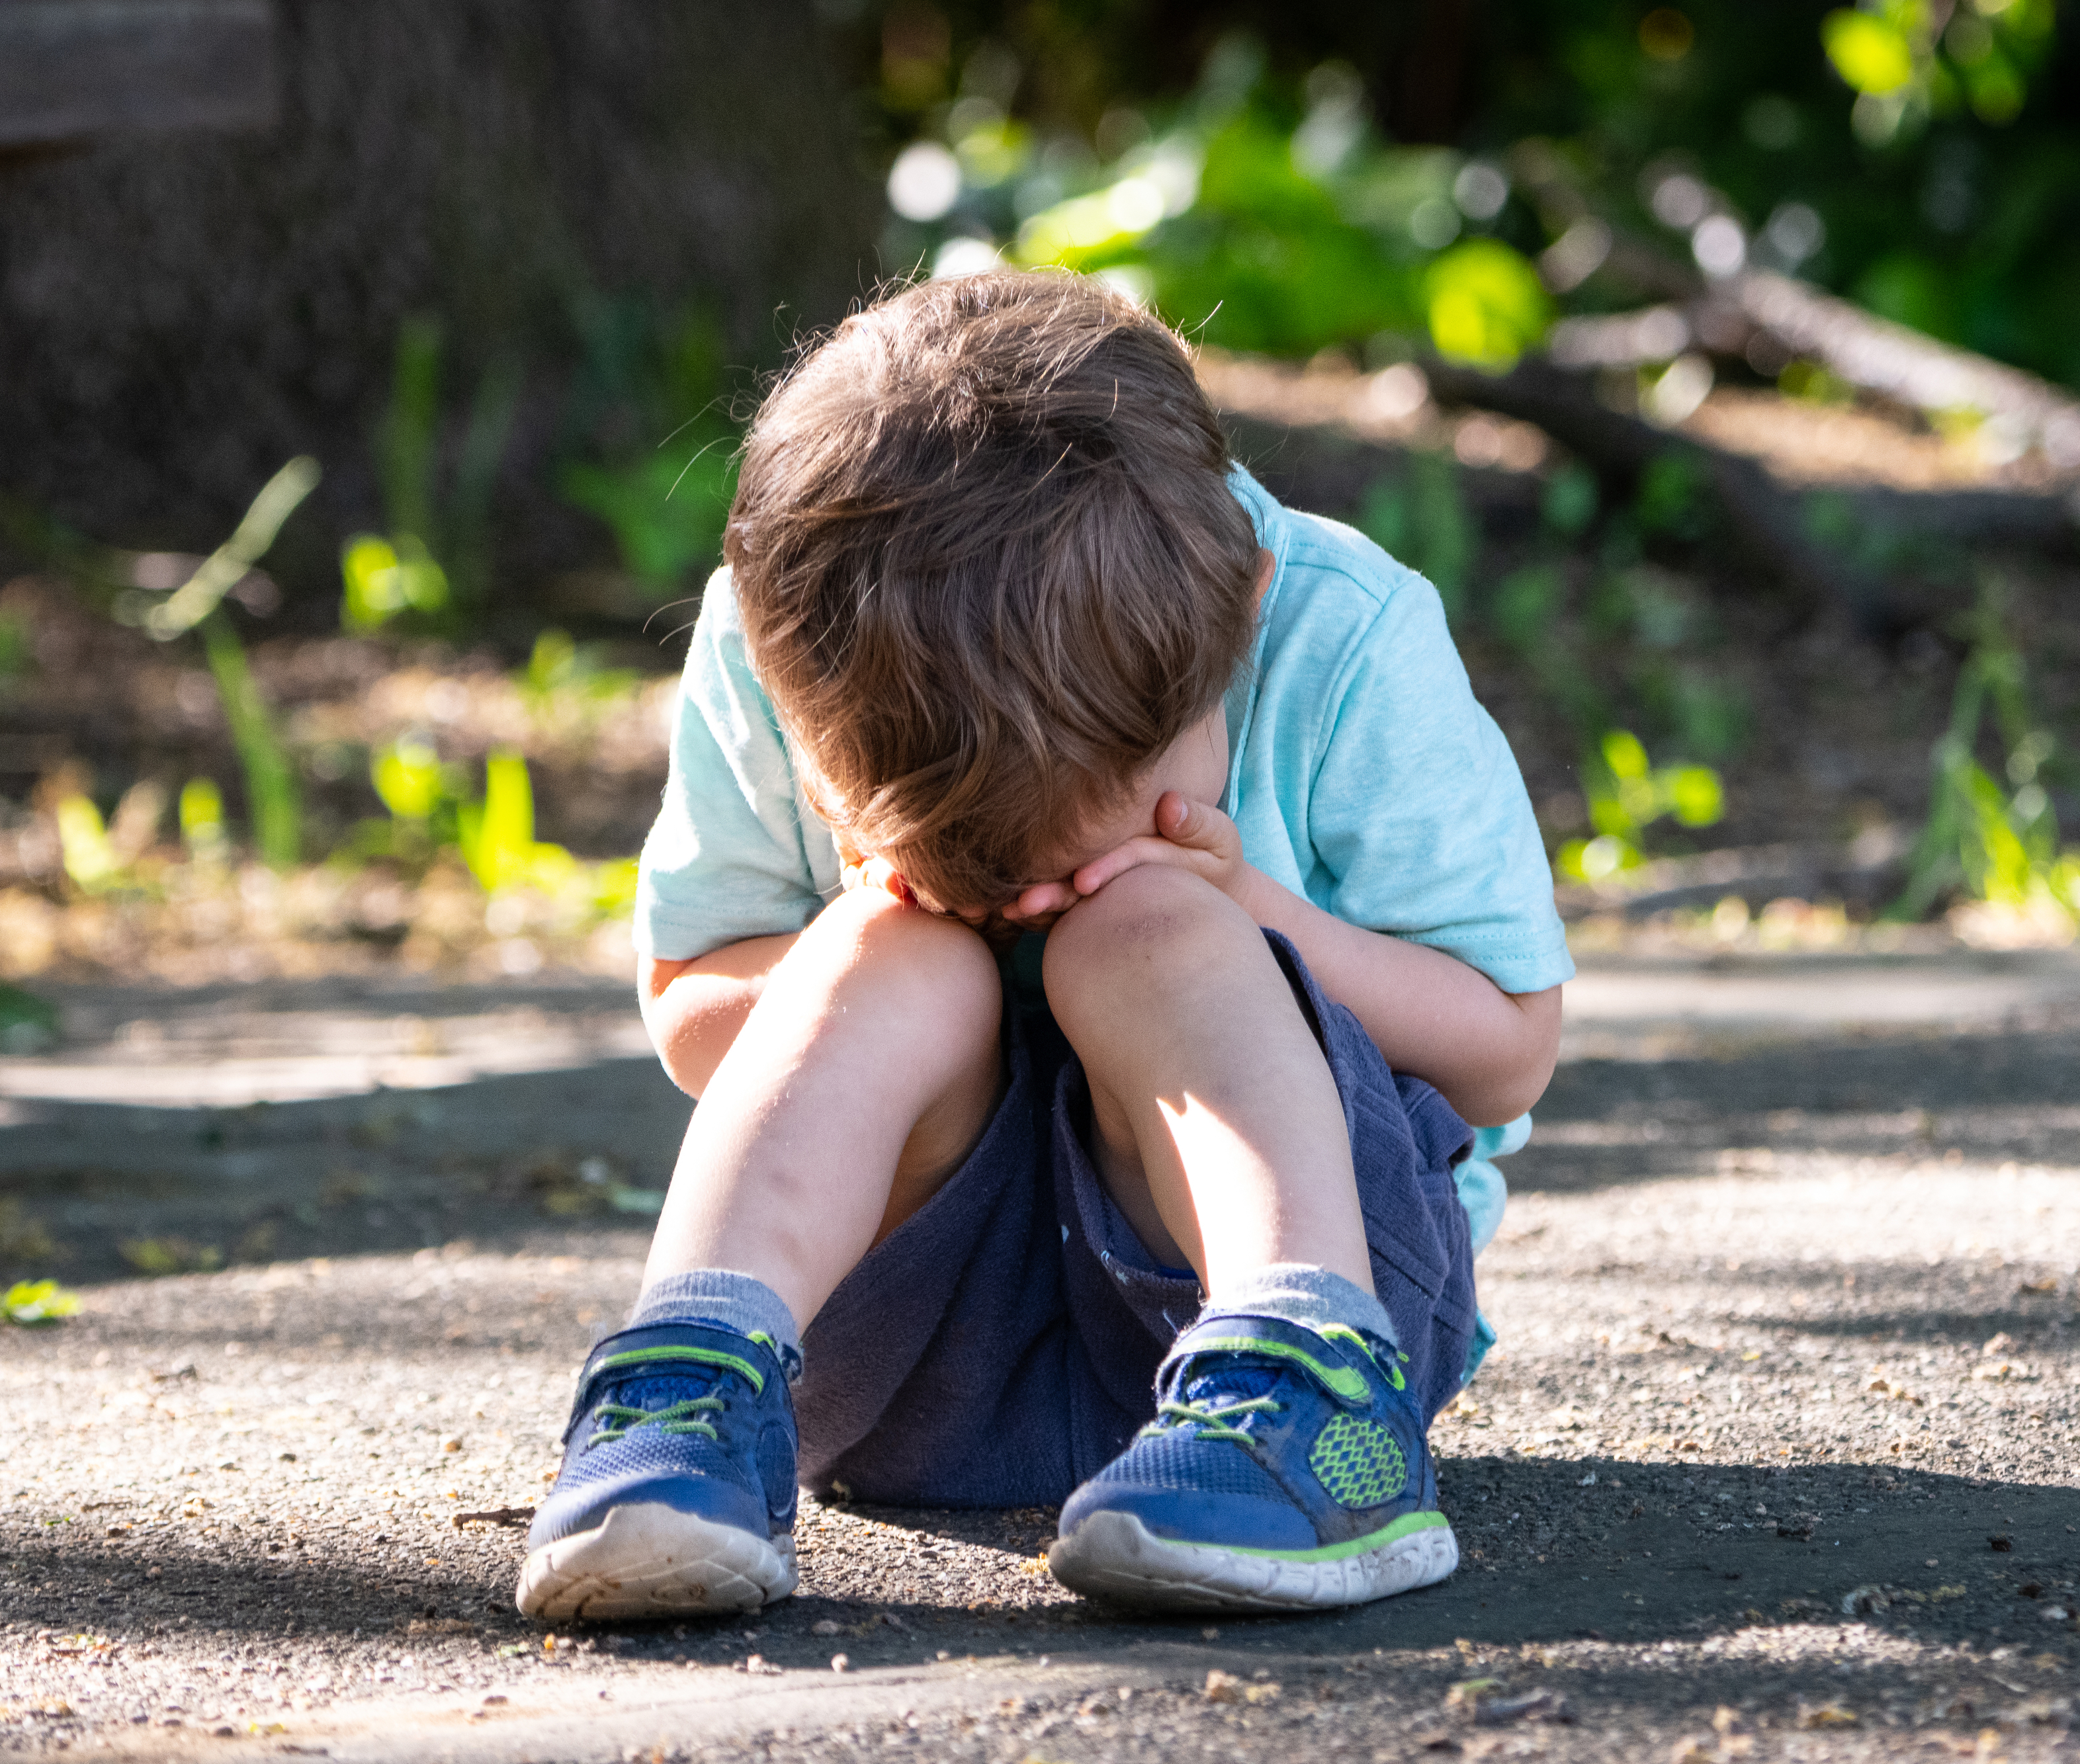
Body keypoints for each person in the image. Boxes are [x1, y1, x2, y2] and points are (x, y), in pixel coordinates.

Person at [514, 269, 1569, 1621]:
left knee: (1148, 925)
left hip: (1269, 1278)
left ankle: (1310, 1379)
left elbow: (1507, 1052)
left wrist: (1261, 914)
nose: (1027, 897)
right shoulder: (788, 634)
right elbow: (686, 1002)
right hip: (903, 1352)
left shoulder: (1339, 627)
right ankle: (691, 1383)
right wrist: (878, 925)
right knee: (887, 956)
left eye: (1070, 839)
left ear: (1234, 617)